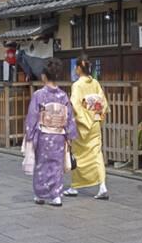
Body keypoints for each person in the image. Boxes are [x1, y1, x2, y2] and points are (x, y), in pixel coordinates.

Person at [23, 58, 77, 206]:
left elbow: (32, 116)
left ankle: (40, 195)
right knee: (56, 166)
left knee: (41, 165)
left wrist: (29, 134)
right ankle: (56, 196)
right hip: (59, 136)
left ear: (44, 76)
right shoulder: (63, 96)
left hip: (44, 135)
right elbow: (69, 117)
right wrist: (69, 135)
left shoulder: (39, 95)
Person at [63, 55, 110, 200]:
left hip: (82, 125)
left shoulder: (77, 85)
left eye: (76, 67)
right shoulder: (95, 83)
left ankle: (75, 186)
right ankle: (102, 186)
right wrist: (96, 118)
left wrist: (82, 120)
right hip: (94, 123)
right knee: (97, 155)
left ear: (78, 68)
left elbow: (76, 105)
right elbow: (102, 103)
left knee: (78, 155)